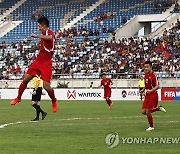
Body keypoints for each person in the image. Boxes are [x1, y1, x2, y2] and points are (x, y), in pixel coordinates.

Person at [10, 16, 58, 112]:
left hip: (46, 63)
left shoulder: (49, 33)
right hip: (38, 61)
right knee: (25, 79)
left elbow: (49, 38)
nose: (38, 28)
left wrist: (37, 36)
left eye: (39, 26)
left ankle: (54, 101)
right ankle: (18, 98)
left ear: (43, 26)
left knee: (46, 86)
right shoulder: (44, 35)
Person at [140, 61, 166, 131]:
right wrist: (143, 89)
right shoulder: (145, 75)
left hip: (153, 94)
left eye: (147, 67)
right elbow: (146, 85)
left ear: (151, 67)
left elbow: (158, 86)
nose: (146, 68)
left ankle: (151, 127)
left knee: (148, 111)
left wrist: (151, 91)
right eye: (145, 67)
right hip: (147, 95)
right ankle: (158, 108)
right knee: (143, 112)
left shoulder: (154, 75)